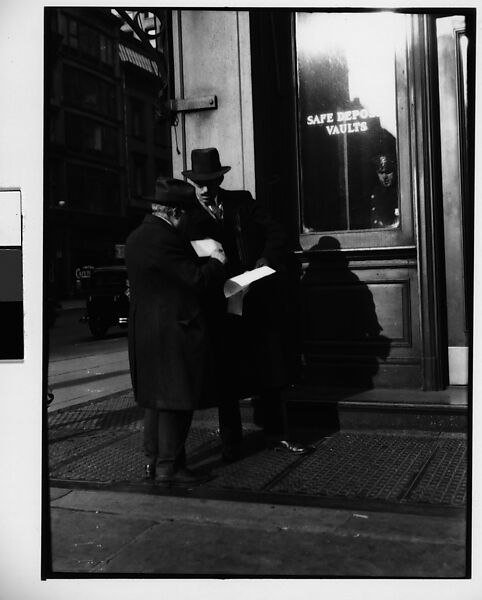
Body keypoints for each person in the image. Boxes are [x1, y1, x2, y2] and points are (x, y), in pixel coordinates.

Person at [180, 147, 311, 461]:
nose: (206, 189)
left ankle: (278, 434)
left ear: (221, 178)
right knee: (226, 377)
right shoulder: (186, 215)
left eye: (211, 182)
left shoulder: (242, 201)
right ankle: (231, 443)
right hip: (217, 308)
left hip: (255, 300)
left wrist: (263, 261)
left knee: (271, 368)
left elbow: (276, 232)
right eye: (200, 184)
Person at [125, 177, 227, 485]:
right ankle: (170, 466)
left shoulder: (137, 237)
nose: (186, 221)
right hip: (174, 330)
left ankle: (153, 461)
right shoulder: (166, 240)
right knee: (176, 400)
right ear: (174, 213)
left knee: (155, 400)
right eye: (185, 215)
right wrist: (217, 263)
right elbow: (194, 280)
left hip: (146, 330)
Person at [368, 154, 399, 228]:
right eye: (381, 173)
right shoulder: (376, 192)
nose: (385, 177)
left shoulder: (400, 192)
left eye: (388, 172)